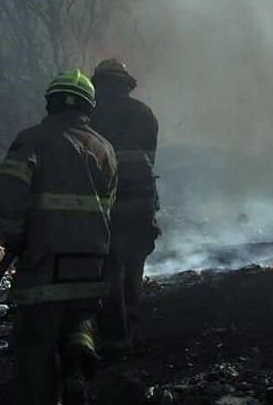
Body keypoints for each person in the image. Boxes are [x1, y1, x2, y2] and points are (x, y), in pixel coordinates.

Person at [0, 70, 117, 405]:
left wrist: (15, 237)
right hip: (91, 262)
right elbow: (108, 209)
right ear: (88, 107)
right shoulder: (105, 148)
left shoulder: (31, 139)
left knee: (35, 343)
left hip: (44, 260)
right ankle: (76, 369)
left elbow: (9, 194)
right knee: (78, 321)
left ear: (50, 102)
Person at [89, 58, 160, 352]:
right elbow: (149, 158)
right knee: (134, 265)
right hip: (143, 201)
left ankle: (116, 337)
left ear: (100, 85)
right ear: (126, 84)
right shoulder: (145, 113)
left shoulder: (90, 116)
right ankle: (132, 323)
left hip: (110, 204)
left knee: (111, 268)